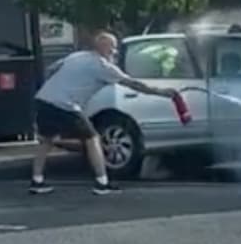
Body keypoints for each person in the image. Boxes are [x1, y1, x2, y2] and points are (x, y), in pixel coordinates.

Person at [30, 30, 178, 195]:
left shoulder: (77, 56)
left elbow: (51, 69)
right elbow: (133, 84)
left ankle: (37, 181)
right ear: (105, 48)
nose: (115, 52)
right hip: (65, 105)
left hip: (43, 100)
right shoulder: (103, 66)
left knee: (46, 140)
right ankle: (102, 183)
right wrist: (162, 92)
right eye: (113, 48)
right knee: (92, 138)